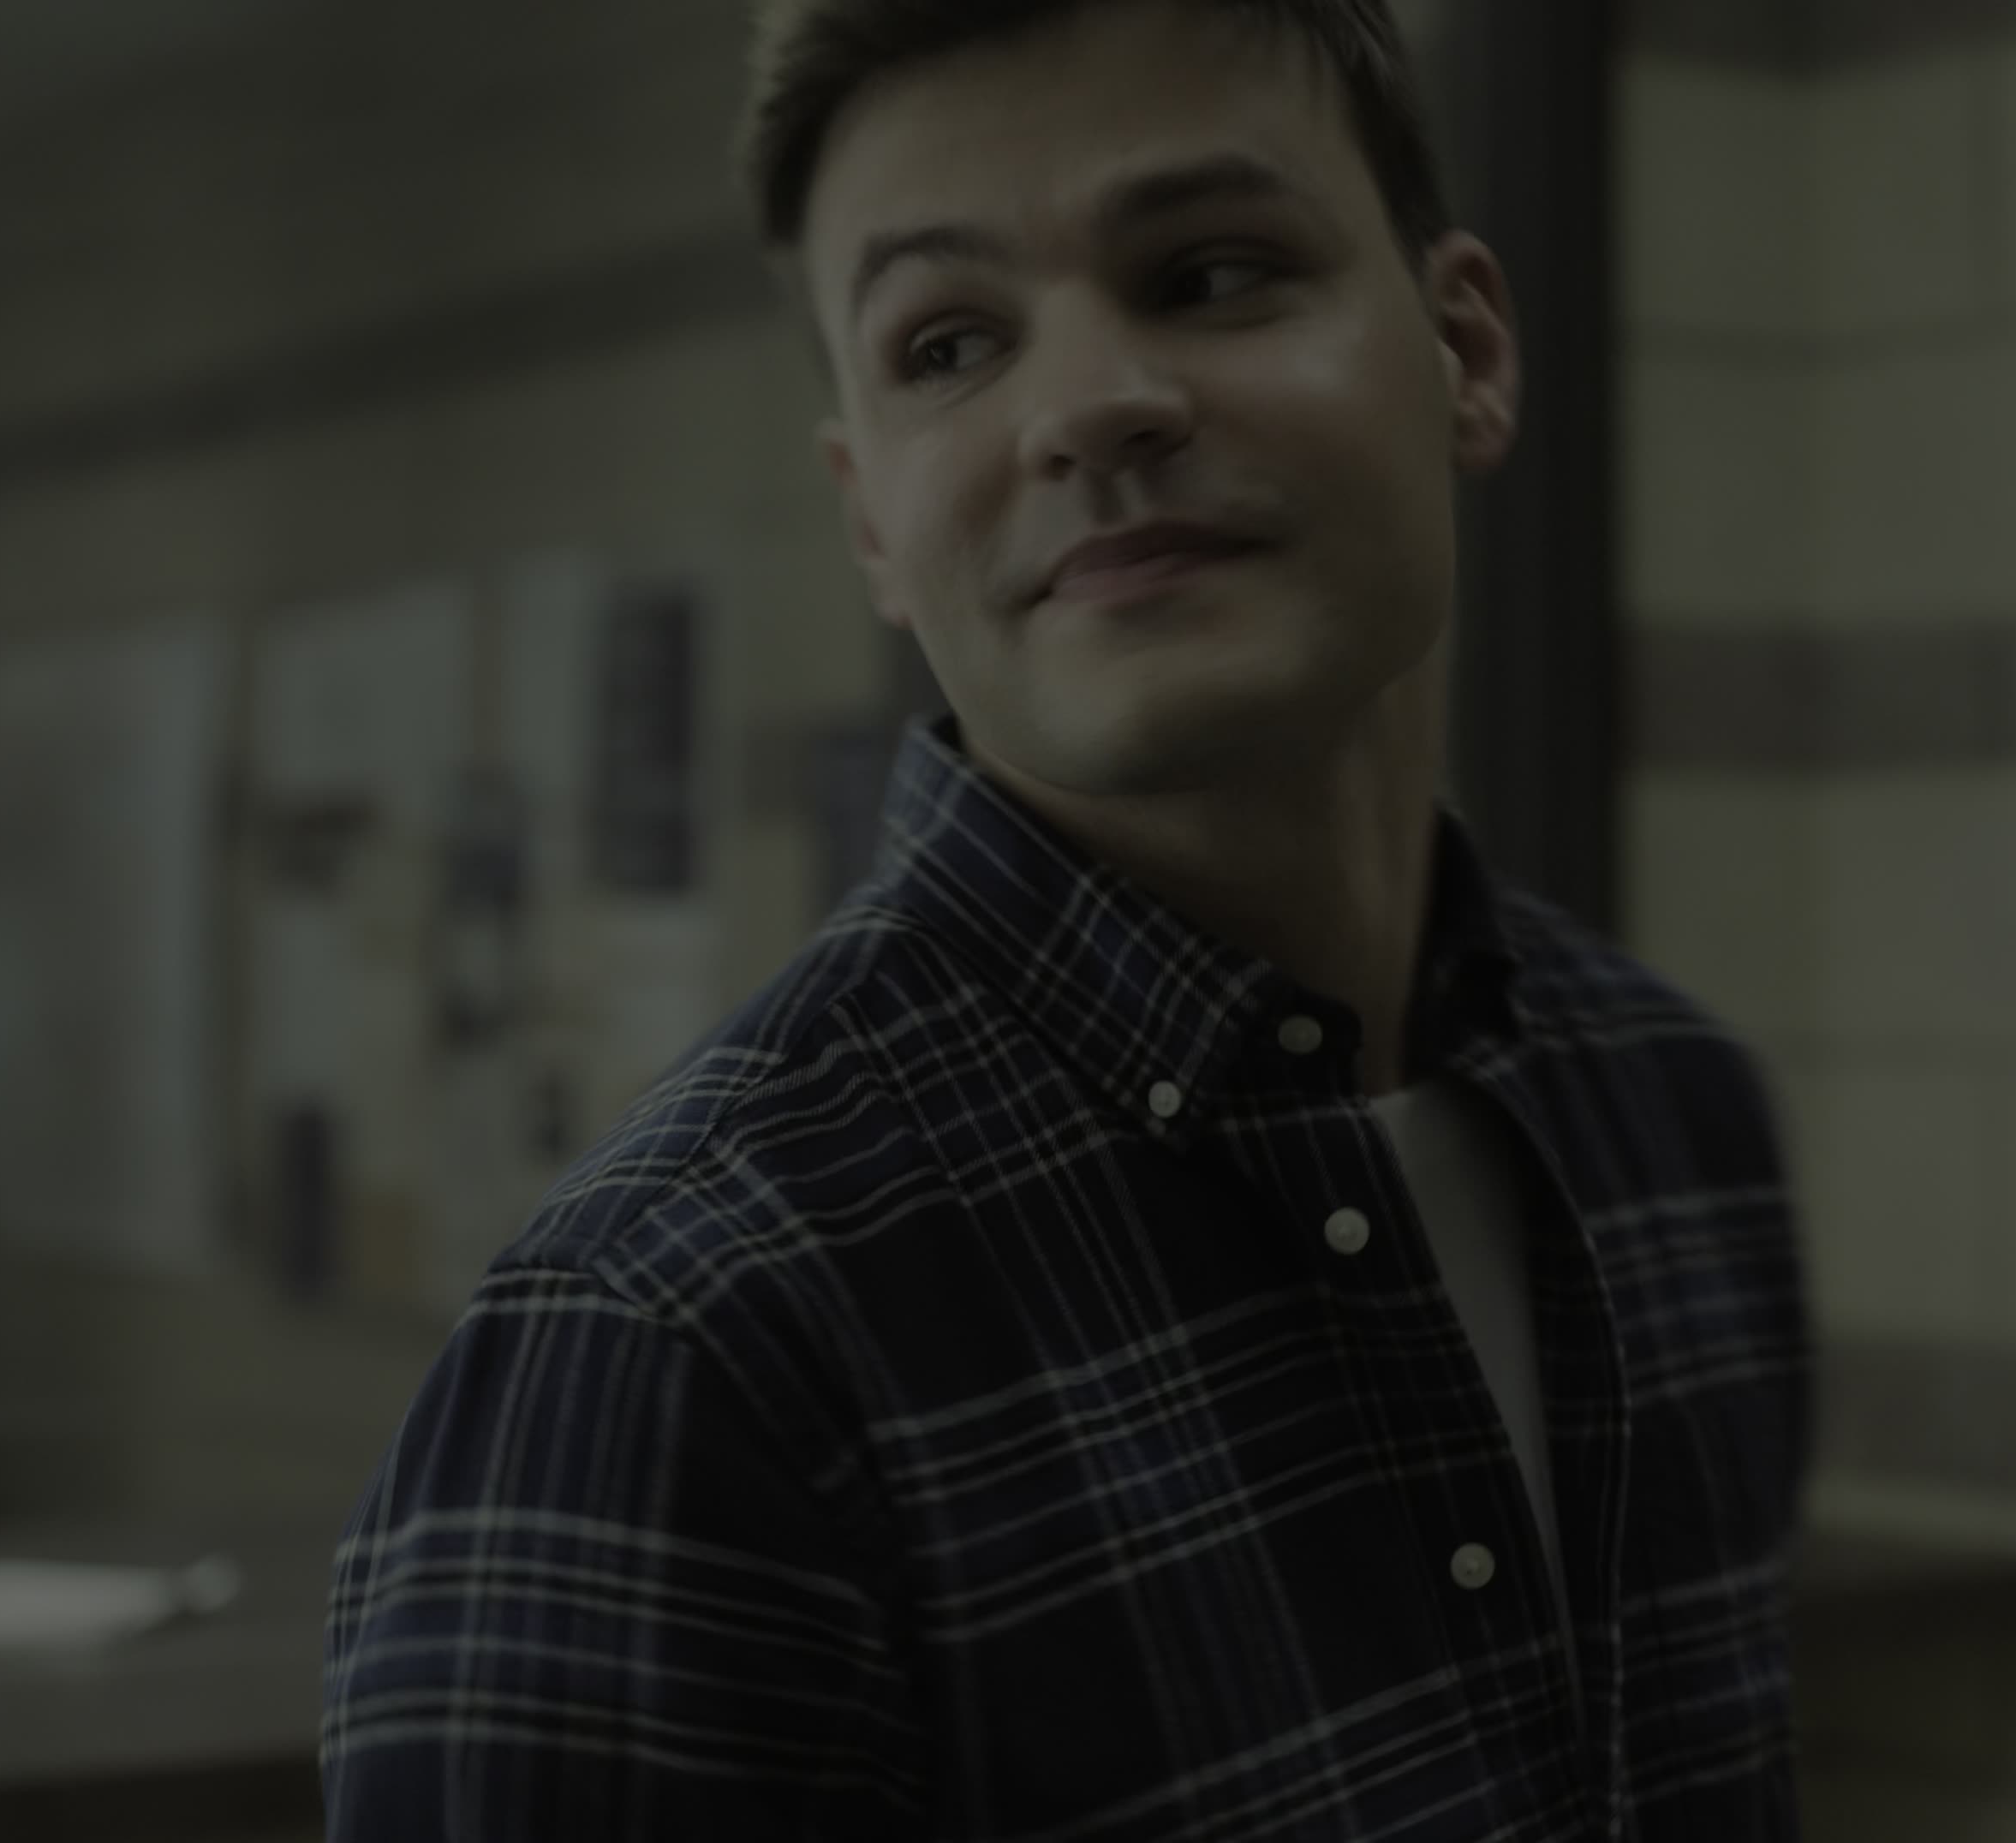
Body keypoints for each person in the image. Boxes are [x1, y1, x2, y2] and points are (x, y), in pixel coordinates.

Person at [321, 1, 1810, 1835]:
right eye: (948, 343)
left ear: (1468, 352)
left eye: (1212, 272)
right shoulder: (678, 1344)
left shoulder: (1675, 1118)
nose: (1091, 404)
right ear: (872, 524)